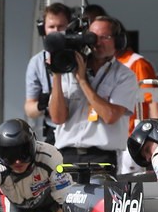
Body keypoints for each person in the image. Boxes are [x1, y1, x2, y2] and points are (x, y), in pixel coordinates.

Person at [46, 15, 140, 178]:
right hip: (66, 155)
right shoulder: (70, 69)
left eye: (104, 37)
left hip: (101, 158)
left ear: (118, 42)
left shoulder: (125, 76)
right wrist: (57, 74)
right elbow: (57, 118)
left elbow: (110, 116)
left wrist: (82, 81)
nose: (97, 42)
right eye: (93, 37)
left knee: (98, 203)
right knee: (65, 202)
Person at [23, 2, 74, 136]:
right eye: (51, 27)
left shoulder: (82, 56)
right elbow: (29, 108)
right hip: (54, 129)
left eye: (61, 26)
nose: (56, 31)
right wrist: (41, 105)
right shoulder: (36, 62)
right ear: (43, 30)